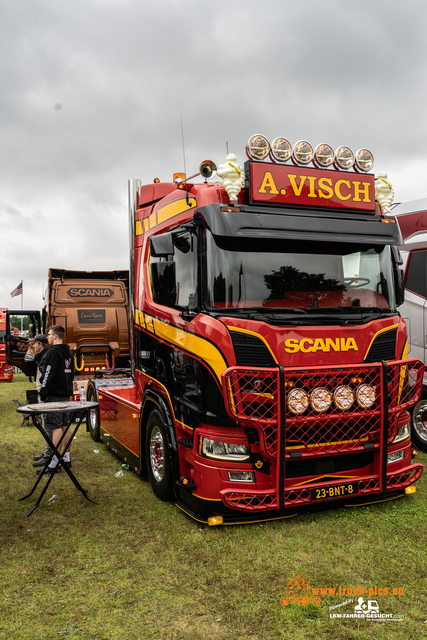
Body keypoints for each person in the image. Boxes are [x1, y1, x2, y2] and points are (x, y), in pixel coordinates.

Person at [38, 325, 74, 475]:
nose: (47, 337)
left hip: (54, 395)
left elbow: (48, 374)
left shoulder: (53, 352)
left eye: (49, 334)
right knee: (65, 424)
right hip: (66, 394)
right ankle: (66, 457)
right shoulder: (68, 352)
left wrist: (43, 394)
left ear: (56, 336)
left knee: (55, 427)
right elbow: (72, 373)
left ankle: (54, 462)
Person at [25, 336, 52, 467]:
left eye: (34, 344)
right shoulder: (41, 356)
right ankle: (47, 452)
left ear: (40, 344)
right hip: (41, 392)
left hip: (44, 393)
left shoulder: (45, 356)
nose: (32, 346)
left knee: (48, 426)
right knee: (46, 424)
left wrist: (43, 394)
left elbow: (45, 377)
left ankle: (48, 454)